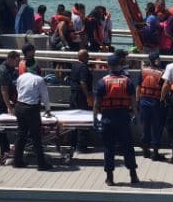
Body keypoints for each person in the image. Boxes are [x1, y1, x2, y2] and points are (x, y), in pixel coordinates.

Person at [93, 53, 139, 185]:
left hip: (107, 117)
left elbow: (96, 104)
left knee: (109, 148)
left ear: (108, 66)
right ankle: (133, 175)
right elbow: (133, 101)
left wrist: (95, 118)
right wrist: (135, 115)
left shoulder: (102, 82)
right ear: (119, 66)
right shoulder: (127, 81)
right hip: (123, 117)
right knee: (128, 147)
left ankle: (110, 178)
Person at [12, 68, 53, 171]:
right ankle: (41, 164)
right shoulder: (39, 80)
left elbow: (18, 90)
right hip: (31, 109)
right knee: (36, 137)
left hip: (19, 106)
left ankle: (17, 161)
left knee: (21, 135)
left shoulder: (21, 77)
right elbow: (45, 96)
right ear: (40, 73)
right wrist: (47, 110)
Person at [138, 52, 165, 160]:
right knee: (156, 128)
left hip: (143, 102)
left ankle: (145, 150)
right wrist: (163, 100)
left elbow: (138, 87)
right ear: (156, 60)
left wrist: (137, 101)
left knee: (146, 127)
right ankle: (155, 153)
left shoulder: (143, 71)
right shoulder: (161, 73)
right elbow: (164, 88)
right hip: (156, 103)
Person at [68, 49, 93, 152]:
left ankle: (72, 144)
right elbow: (83, 82)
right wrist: (88, 96)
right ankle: (81, 146)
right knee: (83, 120)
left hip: (73, 95)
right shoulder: (83, 67)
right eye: (87, 56)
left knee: (73, 120)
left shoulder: (74, 66)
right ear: (83, 57)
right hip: (81, 97)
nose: (88, 58)